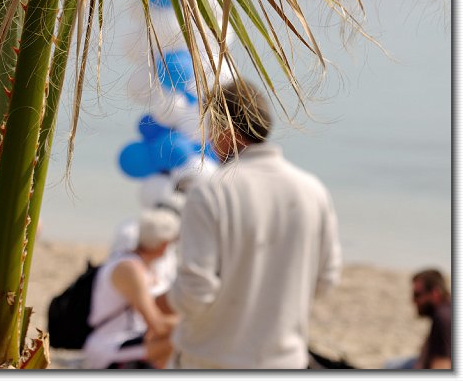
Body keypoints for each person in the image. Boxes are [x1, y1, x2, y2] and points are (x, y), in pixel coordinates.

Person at [159, 78, 342, 369]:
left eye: (210, 129)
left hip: (212, 360)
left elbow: (196, 290)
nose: (207, 140)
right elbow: (325, 280)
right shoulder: (313, 190)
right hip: (285, 360)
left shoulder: (210, 191)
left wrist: (163, 300)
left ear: (227, 131)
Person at [82, 208, 180, 369]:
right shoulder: (130, 269)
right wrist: (193, 324)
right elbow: (157, 324)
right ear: (164, 245)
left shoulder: (144, 266)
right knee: (183, 336)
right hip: (110, 345)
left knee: (182, 329)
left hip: (131, 338)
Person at [411, 269, 451, 369]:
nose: (413, 300)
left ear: (435, 293)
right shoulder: (446, 310)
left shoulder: (442, 318)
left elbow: (442, 365)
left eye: (417, 295)